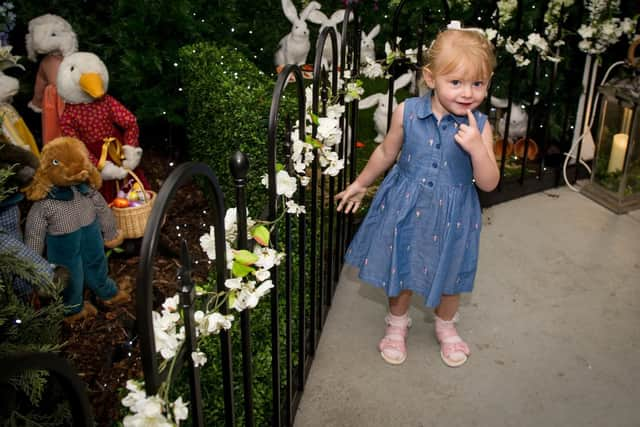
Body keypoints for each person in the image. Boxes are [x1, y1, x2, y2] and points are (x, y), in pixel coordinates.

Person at [336, 23, 499, 368]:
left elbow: (488, 183)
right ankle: (397, 323)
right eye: (455, 82)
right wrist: (362, 183)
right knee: (402, 267)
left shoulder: (480, 126)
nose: (467, 92)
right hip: (406, 207)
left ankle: (446, 326)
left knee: (453, 273)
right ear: (431, 77)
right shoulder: (407, 112)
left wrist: (477, 150)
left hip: (454, 213)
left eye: (478, 83)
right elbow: (385, 153)